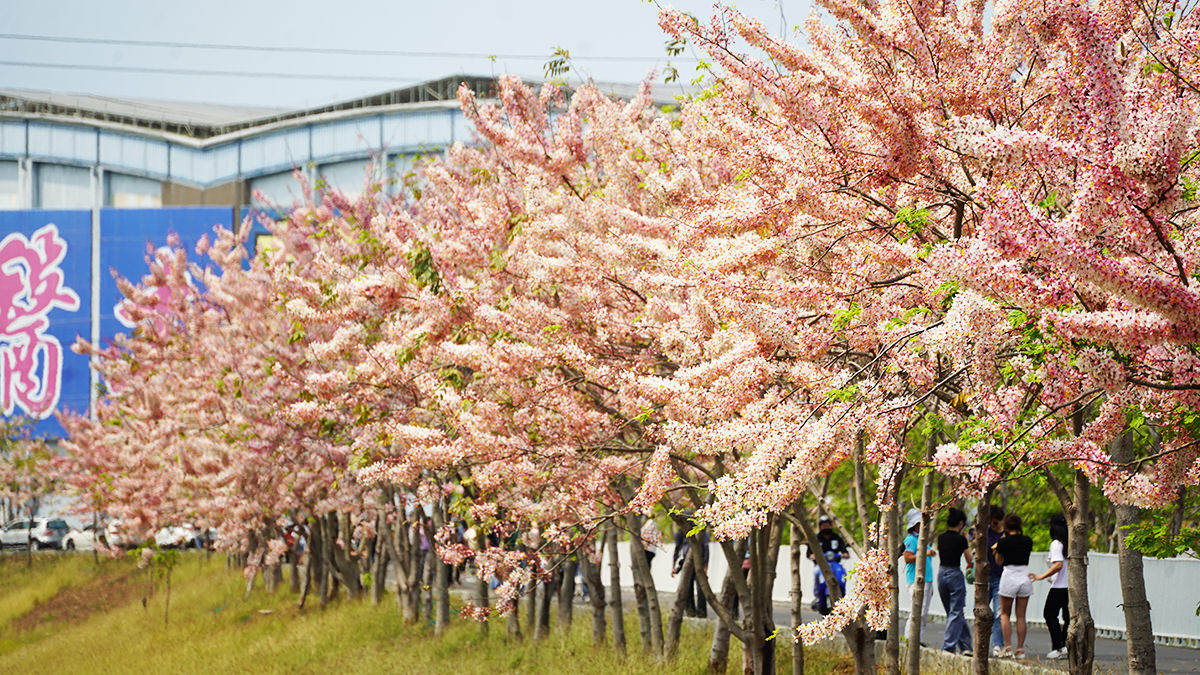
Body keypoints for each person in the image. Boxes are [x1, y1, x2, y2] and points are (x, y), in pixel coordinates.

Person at [993, 513, 1034, 658]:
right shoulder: (1027, 541)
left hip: (1009, 575)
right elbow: (1027, 556)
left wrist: (999, 546)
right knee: (1021, 615)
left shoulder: (1003, 542)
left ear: (1006, 526)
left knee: (1005, 614)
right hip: (1024, 575)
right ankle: (1020, 649)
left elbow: (998, 561)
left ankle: (1008, 646)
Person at [936, 507, 974, 655]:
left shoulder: (941, 537)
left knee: (953, 613)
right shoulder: (960, 539)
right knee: (956, 612)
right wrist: (967, 542)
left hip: (941, 573)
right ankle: (948, 647)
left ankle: (965, 646)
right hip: (954, 574)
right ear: (961, 523)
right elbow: (969, 559)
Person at [1032, 514, 1069, 659]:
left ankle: (1058, 646)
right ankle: (1066, 645)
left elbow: (1058, 564)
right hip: (1070, 586)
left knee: (1049, 614)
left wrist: (1042, 576)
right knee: (1068, 617)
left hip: (1059, 585)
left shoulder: (1056, 544)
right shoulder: (1071, 542)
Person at [903, 508, 935, 643]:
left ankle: (918, 640)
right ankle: (909, 639)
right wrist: (924, 554)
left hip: (927, 579)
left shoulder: (922, 539)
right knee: (916, 611)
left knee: (923, 613)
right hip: (916, 579)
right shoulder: (910, 539)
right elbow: (907, 557)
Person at [808, 514, 848, 615]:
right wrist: (814, 556)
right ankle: (818, 596)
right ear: (820, 527)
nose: (826, 527)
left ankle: (843, 596)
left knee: (844, 573)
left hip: (835, 564)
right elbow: (809, 553)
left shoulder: (837, 538)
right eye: (823, 525)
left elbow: (845, 551)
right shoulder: (816, 538)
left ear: (831, 525)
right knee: (816, 572)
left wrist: (844, 554)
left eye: (827, 525)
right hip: (821, 565)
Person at [671, 522, 710, 618]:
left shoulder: (700, 532)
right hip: (686, 562)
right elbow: (677, 549)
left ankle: (701, 613)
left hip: (699, 562)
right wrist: (674, 565)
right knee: (687, 588)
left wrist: (705, 566)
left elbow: (706, 549)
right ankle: (690, 611)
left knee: (701, 588)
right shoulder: (680, 533)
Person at [985, 505, 1006, 651]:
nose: (993, 525)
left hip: (1001, 577)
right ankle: (981, 643)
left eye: (996, 522)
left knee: (999, 613)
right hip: (985, 577)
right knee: (982, 613)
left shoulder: (1007, 535)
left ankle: (997, 644)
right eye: (991, 522)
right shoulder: (985, 533)